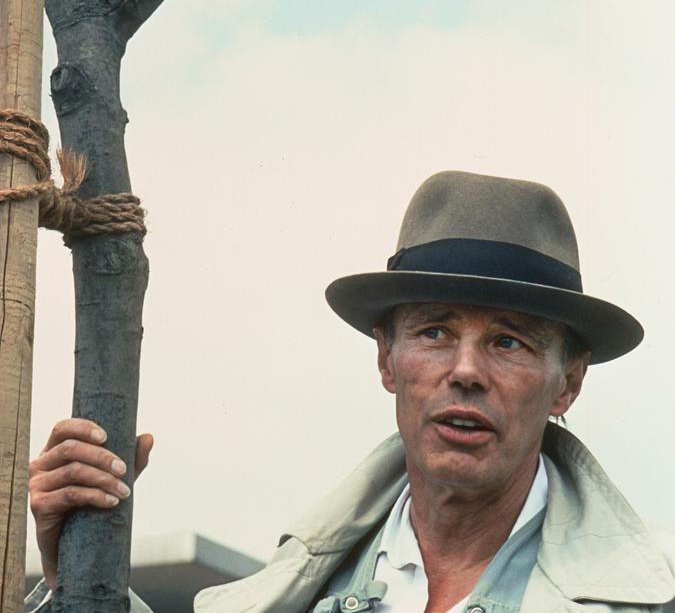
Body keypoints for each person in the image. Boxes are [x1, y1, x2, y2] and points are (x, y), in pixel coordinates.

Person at [26, 171, 675, 612]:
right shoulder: (286, 594)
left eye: (508, 342)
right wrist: (79, 570)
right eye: (434, 332)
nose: (466, 370)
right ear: (386, 360)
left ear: (566, 383)